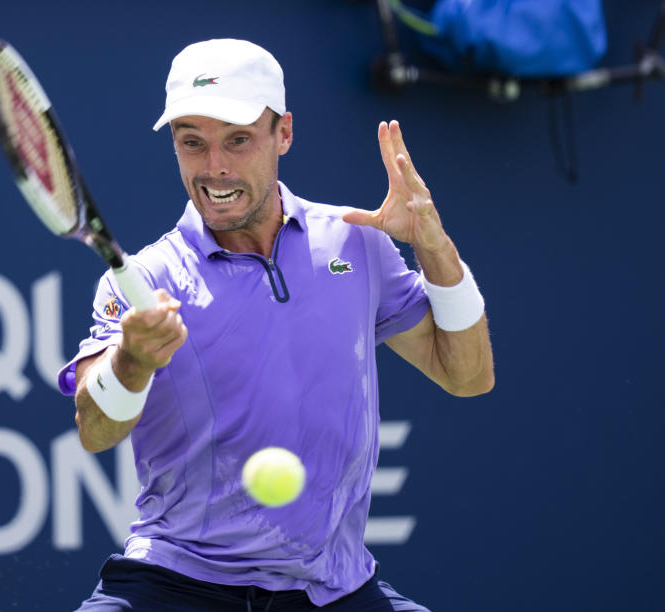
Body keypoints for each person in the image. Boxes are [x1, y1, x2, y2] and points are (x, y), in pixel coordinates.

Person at [57, 39, 494, 611]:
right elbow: (95, 430)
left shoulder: (354, 241)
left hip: (334, 589)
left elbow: (467, 376)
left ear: (282, 134)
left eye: (237, 140)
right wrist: (133, 360)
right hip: (176, 583)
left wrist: (435, 247)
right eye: (192, 143)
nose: (214, 166)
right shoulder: (143, 278)